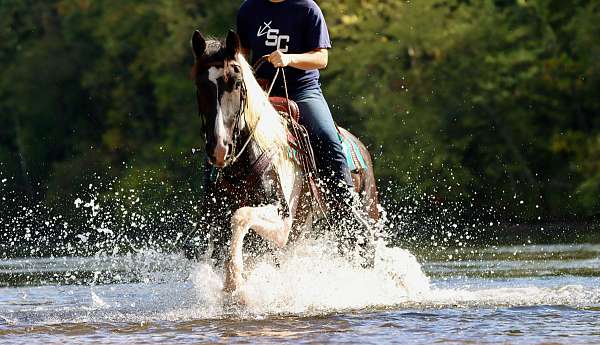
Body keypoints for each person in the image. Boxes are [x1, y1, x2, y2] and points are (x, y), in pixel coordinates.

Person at [236, 0, 357, 207]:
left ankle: (346, 203)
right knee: (226, 132)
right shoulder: (249, 9)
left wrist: (289, 58)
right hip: (261, 93)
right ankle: (210, 207)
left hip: (302, 91)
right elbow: (241, 55)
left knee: (327, 136)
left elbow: (321, 58)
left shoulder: (307, 8)